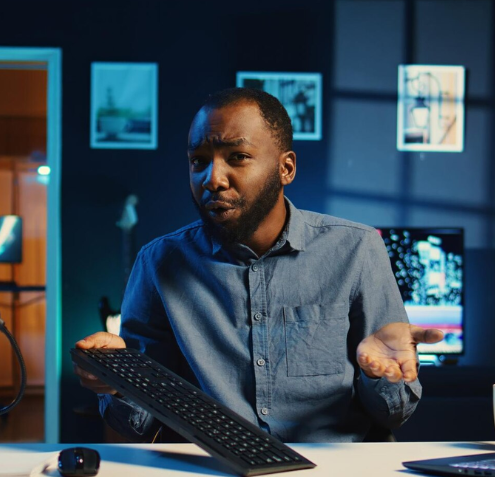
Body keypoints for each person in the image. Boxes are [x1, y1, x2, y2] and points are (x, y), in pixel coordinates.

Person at [74, 87, 443, 443]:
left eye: (237, 156)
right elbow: (138, 424)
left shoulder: (357, 250)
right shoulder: (159, 263)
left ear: (286, 168)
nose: (212, 179)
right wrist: (118, 381)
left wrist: (381, 377)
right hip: (210, 469)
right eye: (198, 161)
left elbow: (394, 413)